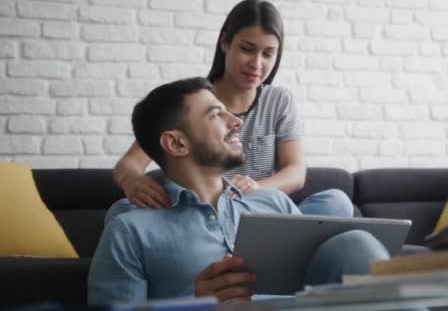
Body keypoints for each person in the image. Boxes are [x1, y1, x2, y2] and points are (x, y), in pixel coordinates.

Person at [87, 78, 389, 305]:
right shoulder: (130, 231)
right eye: (216, 114)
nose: (237, 121)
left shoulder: (273, 201)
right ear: (177, 143)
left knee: (355, 243)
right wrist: (196, 306)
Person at [111, 0, 352, 217]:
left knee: (337, 202)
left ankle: (267, 243)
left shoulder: (279, 100)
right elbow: (129, 164)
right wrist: (131, 180)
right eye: (247, 49)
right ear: (225, 42)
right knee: (121, 211)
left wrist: (256, 188)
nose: (257, 64)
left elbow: (296, 171)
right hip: (201, 212)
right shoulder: (194, 101)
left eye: (268, 54)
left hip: (257, 209)